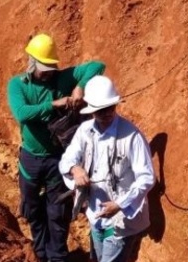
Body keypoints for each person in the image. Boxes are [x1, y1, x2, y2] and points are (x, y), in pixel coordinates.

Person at [7, 32, 106, 262]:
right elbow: (22, 113)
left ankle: (57, 257)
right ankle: (40, 252)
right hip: (31, 159)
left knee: (58, 212)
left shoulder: (62, 78)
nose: (48, 72)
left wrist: (80, 87)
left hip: (58, 160)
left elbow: (98, 66)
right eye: (44, 67)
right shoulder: (18, 85)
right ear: (31, 63)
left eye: (51, 67)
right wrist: (54, 104)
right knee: (32, 209)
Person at [59, 75, 155, 262]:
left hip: (121, 221)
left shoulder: (131, 136)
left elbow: (146, 177)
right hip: (96, 217)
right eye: (101, 110)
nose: (107, 114)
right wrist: (75, 169)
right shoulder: (85, 131)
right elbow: (66, 159)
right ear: (92, 111)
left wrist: (119, 204)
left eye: (110, 108)